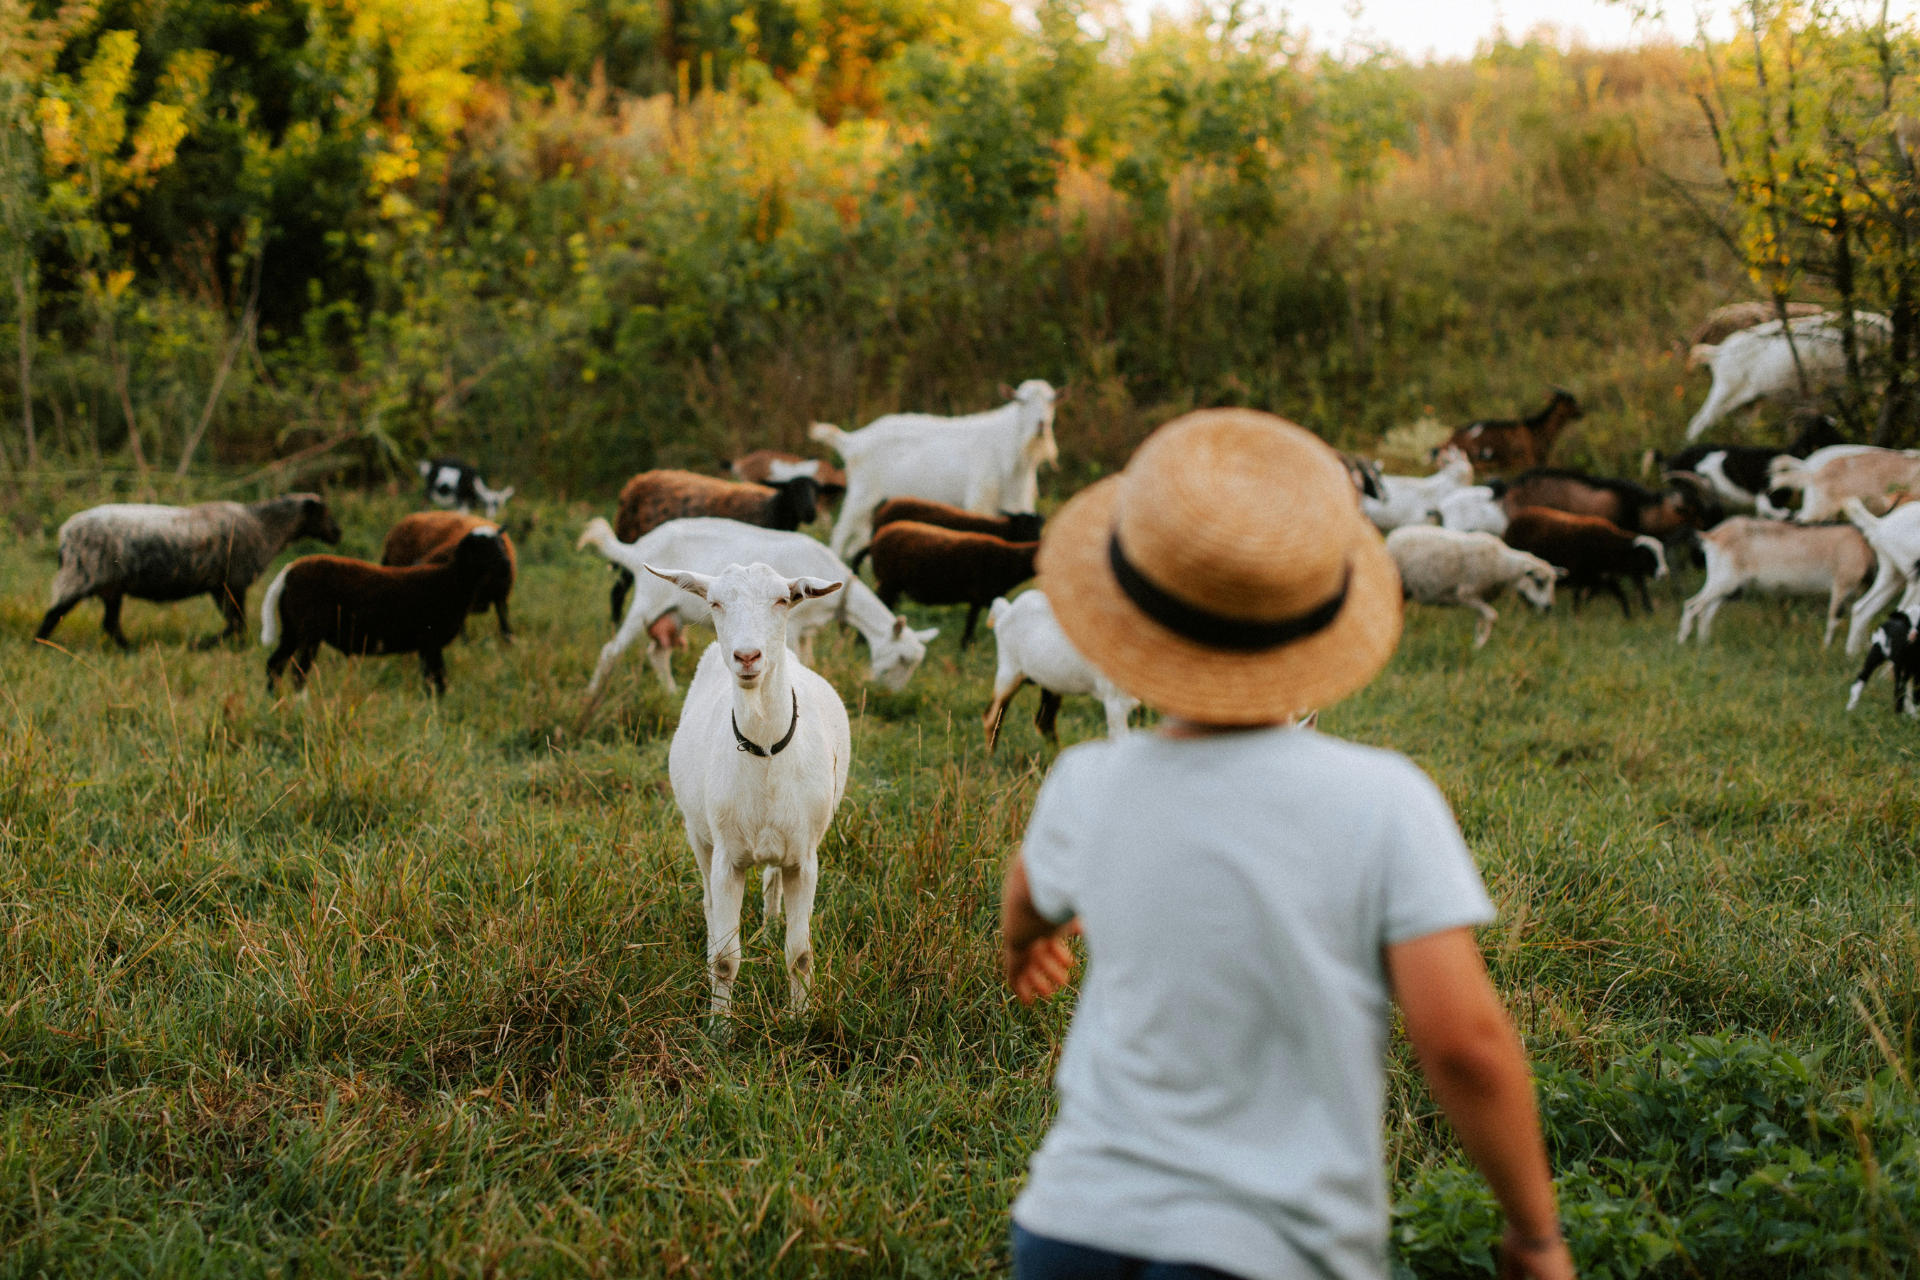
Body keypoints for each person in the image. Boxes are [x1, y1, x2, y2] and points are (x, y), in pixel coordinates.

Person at [999, 409, 1575, 1280]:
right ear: (1324, 617)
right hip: (1274, 1245)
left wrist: (1027, 941)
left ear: (1132, 614)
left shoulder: (1087, 780)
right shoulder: (1383, 801)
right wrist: (1535, 1233)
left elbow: (1028, 894)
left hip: (1074, 1224)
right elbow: (1464, 1043)